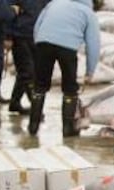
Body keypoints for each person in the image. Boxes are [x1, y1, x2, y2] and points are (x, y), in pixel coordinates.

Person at [28, 0, 100, 137]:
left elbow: (38, 25)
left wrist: (39, 43)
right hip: (68, 47)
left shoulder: (54, 3)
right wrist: (89, 72)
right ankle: (68, 129)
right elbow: (93, 45)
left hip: (43, 42)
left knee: (40, 86)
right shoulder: (88, 13)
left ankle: (33, 126)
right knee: (70, 88)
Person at [4, 0, 51, 115]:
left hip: (37, 36)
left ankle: (14, 103)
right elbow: (8, 14)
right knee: (27, 72)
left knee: (29, 72)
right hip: (20, 36)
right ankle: (36, 108)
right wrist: (8, 36)